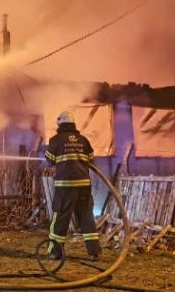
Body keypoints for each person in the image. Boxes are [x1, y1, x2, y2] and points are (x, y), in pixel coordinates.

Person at [44, 110, 101, 261]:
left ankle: (55, 252)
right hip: (84, 186)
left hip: (65, 187)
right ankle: (94, 252)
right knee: (86, 217)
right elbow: (90, 159)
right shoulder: (83, 140)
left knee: (60, 217)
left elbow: (50, 159)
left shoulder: (56, 140)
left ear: (60, 124)